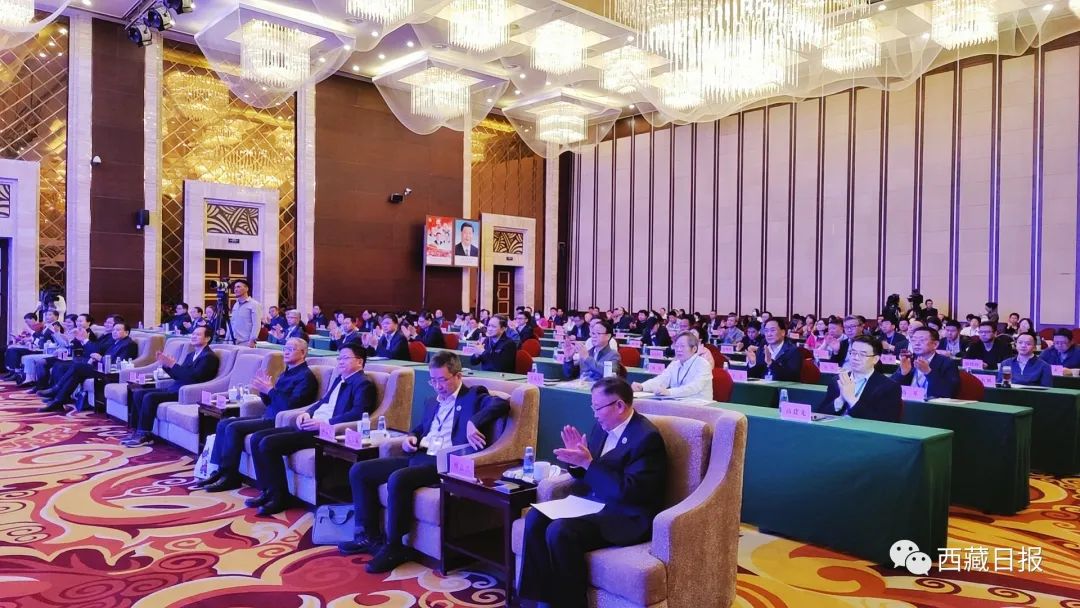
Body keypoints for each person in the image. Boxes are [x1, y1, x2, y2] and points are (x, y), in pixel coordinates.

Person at [337, 351, 509, 571]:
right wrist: (412, 437)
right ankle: (368, 536)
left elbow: (501, 404)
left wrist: (474, 421)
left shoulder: (473, 395)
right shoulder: (432, 402)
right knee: (360, 470)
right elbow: (422, 428)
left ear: (458, 376)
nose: (437, 386)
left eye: (442, 380)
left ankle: (395, 546)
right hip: (419, 456)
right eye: (433, 381)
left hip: (443, 463)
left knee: (399, 478)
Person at [519, 377, 667, 608]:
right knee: (536, 518)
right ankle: (538, 601)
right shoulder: (602, 427)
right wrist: (577, 462)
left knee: (561, 531)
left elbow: (630, 491)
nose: (594, 414)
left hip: (626, 516)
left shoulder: (646, 438)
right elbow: (588, 471)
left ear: (619, 405)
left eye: (598, 407)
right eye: (592, 406)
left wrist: (588, 464)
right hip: (594, 505)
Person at [247, 344, 377, 515]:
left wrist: (325, 423)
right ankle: (267, 491)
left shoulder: (363, 383)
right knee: (257, 438)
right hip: (311, 425)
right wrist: (307, 413)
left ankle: (280, 497)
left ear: (359, 362)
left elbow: (358, 413)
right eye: (339, 358)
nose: (340, 361)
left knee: (268, 444)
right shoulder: (340, 379)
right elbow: (323, 401)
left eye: (345, 358)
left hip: (324, 432)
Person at [196, 338, 319, 492]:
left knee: (233, 428)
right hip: (268, 415)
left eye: (291, 349)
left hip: (280, 421)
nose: (286, 352)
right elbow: (270, 402)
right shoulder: (285, 373)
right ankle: (219, 470)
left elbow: (289, 406)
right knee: (224, 423)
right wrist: (264, 391)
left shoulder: (306, 377)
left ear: (303, 353)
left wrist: (270, 390)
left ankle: (230, 476)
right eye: (285, 349)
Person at [122, 326, 220, 446]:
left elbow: (194, 377)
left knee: (149, 397)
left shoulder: (209, 357)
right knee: (138, 393)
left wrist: (173, 364)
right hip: (175, 387)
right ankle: (136, 430)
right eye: (193, 334)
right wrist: (166, 365)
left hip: (187, 392)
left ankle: (144, 435)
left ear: (207, 338)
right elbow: (179, 375)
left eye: (198, 335)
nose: (194, 336)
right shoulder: (191, 355)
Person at [39, 321, 139, 412]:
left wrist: (101, 359)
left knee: (78, 367)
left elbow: (119, 362)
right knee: (76, 373)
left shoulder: (129, 344)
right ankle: (59, 400)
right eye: (114, 330)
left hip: (110, 373)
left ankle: (56, 391)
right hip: (101, 369)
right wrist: (96, 358)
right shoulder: (115, 342)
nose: (114, 332)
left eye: (118, 330)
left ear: (126, 332)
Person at [814, 336, 903, 422]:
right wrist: (840, 400)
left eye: (862, 354)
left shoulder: (889, 387)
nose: (855, 358)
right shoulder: (838, 380)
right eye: (853, 353)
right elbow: (819, 414)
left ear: (875, 359)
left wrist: (852, 400)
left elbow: (885, 422)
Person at [631, 332, 712, 401]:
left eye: (682, 346)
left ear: (694, 349)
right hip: (677, 403)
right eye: (677, 346)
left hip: (700, 405)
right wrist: (642, 386)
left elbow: (694, 387)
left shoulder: (703, 364)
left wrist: (669, 392)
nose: (678, 350)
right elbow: (661, 380)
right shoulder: (675, 364)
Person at [890, 327, 960, 399]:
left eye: (922, 340)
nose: (917, 343)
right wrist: (902, 373)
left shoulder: (947, 363)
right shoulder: (909, 360)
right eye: (913, 340)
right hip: (907, 403)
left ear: (935, 344)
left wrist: (928, 372)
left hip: (931, 405)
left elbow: (949, 392)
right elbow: (889, 387)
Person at [229, 280, 260, 347]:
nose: (235, 289)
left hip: (246, 342)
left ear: (246, 289)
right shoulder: (236, 305)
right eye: (235, 288)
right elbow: (232, 322)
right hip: (233, 341)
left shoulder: (254, 304)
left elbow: (256, 324)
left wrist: (252, 340)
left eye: (238, 287)